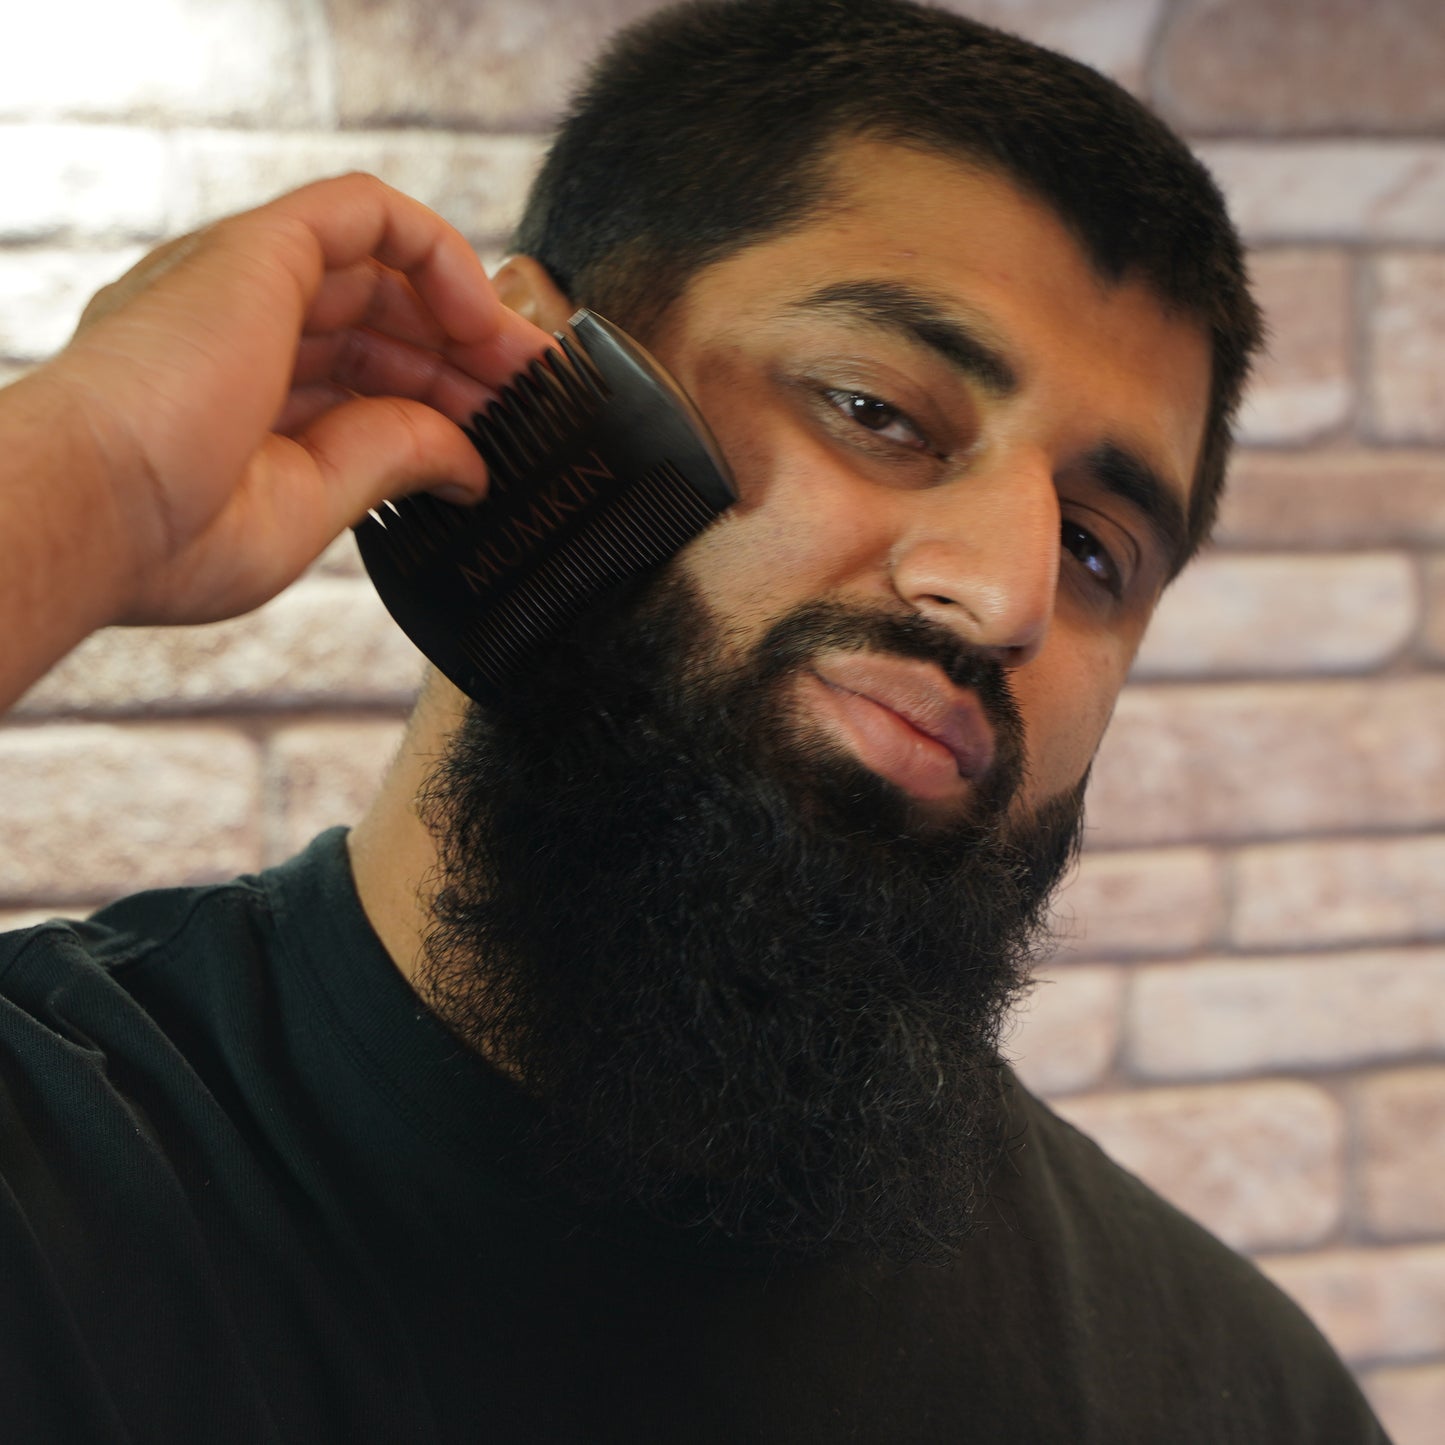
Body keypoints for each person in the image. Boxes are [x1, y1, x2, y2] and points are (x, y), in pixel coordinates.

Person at [0, 1, 1393, 1440]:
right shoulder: (55, 1170)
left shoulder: (1234, 1393)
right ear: (534, 378)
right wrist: (91, 473)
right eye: (876, 409)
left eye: (1097, 549)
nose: (1004, 594)